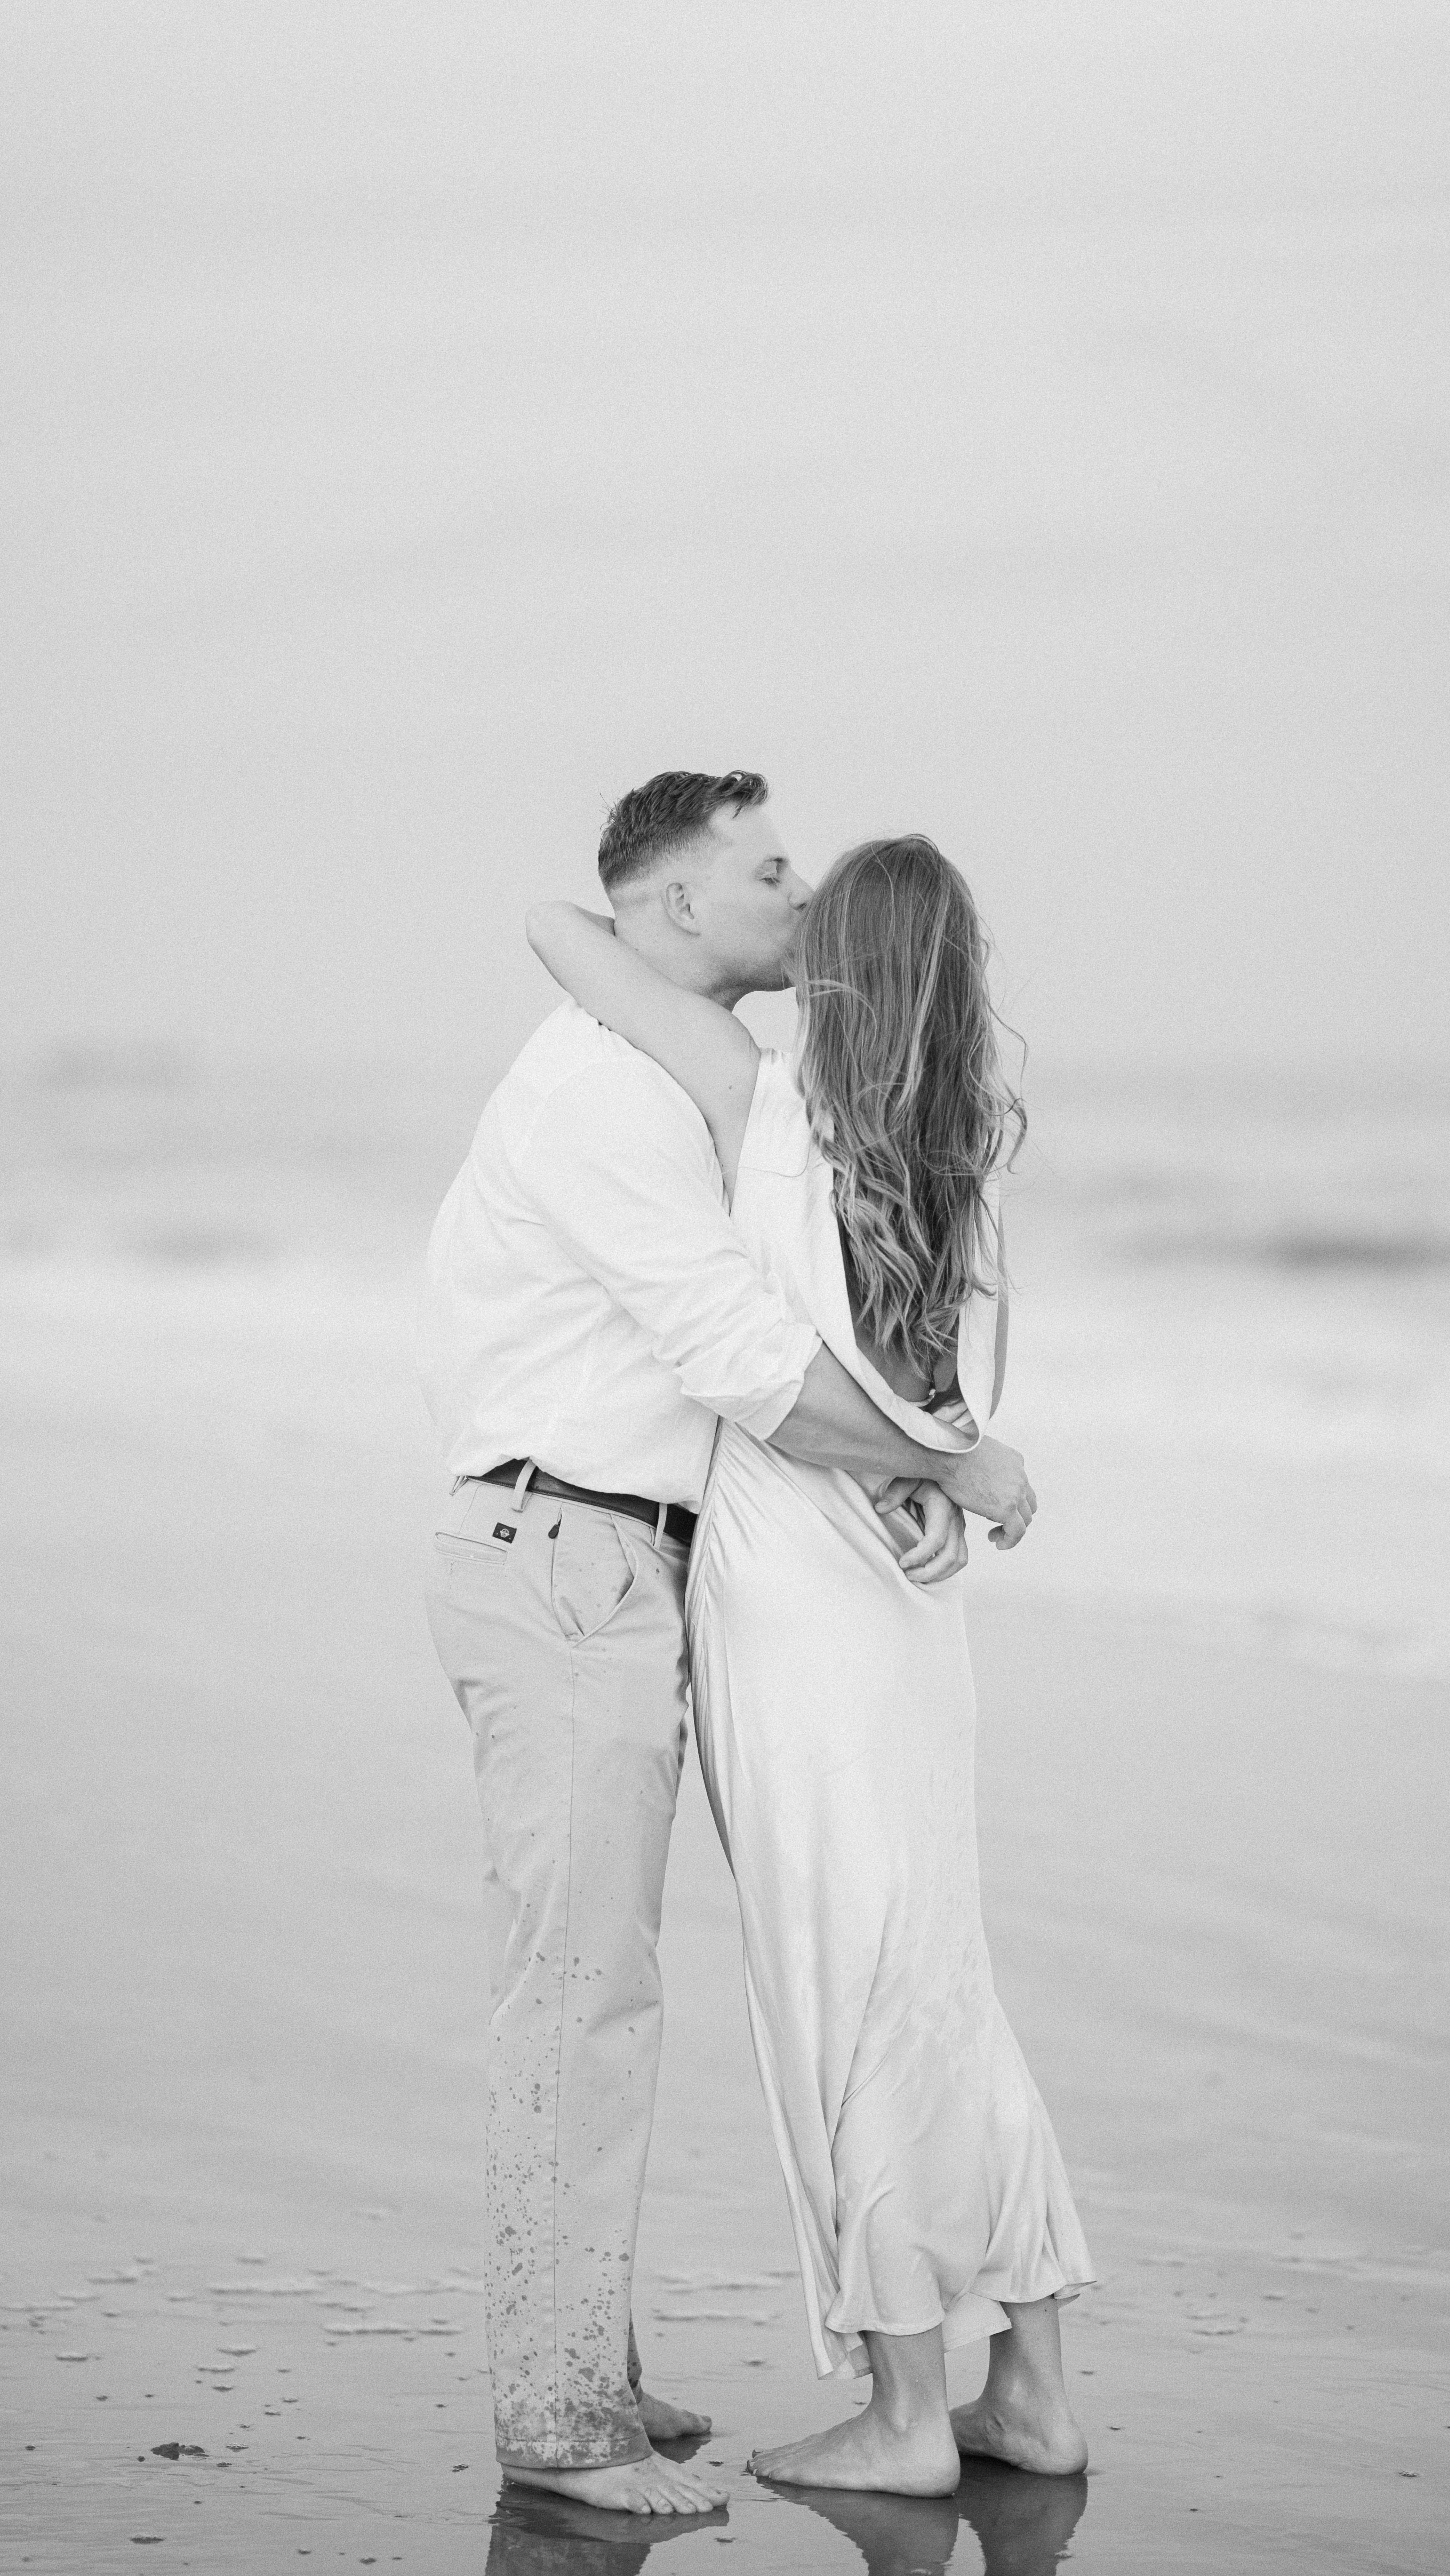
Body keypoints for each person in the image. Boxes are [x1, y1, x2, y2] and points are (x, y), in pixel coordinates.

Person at [420, 771, 1040, 2519]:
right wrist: (951, 1461)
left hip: (612, 1556)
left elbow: (789, 1331)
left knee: (607, 1979)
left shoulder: (686, 1070)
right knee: (579, 1992)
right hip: (563, 1552)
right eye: (767, 872)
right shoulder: (612, 1095)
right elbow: (742, 1358)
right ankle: (557, 2425)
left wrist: (904, 1465)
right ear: (680, 907)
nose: (798, 892)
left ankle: (588, 2372)